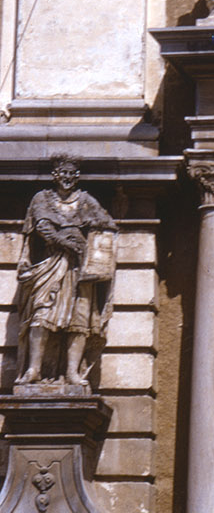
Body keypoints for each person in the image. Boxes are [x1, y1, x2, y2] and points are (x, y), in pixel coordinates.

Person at [15, 155, 117, 389]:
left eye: (72, 174)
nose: (67, 178)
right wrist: (65, 240)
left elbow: (107, 226)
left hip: (80, 267)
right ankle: (34, 369)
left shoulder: (86, 200)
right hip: (51, 263)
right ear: (55, 175)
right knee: (41, 313)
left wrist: (90, 238)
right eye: (63, 173)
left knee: (79, 318)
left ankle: (72, 371)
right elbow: (42, 227)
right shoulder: (42, 198)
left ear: (77, 176)